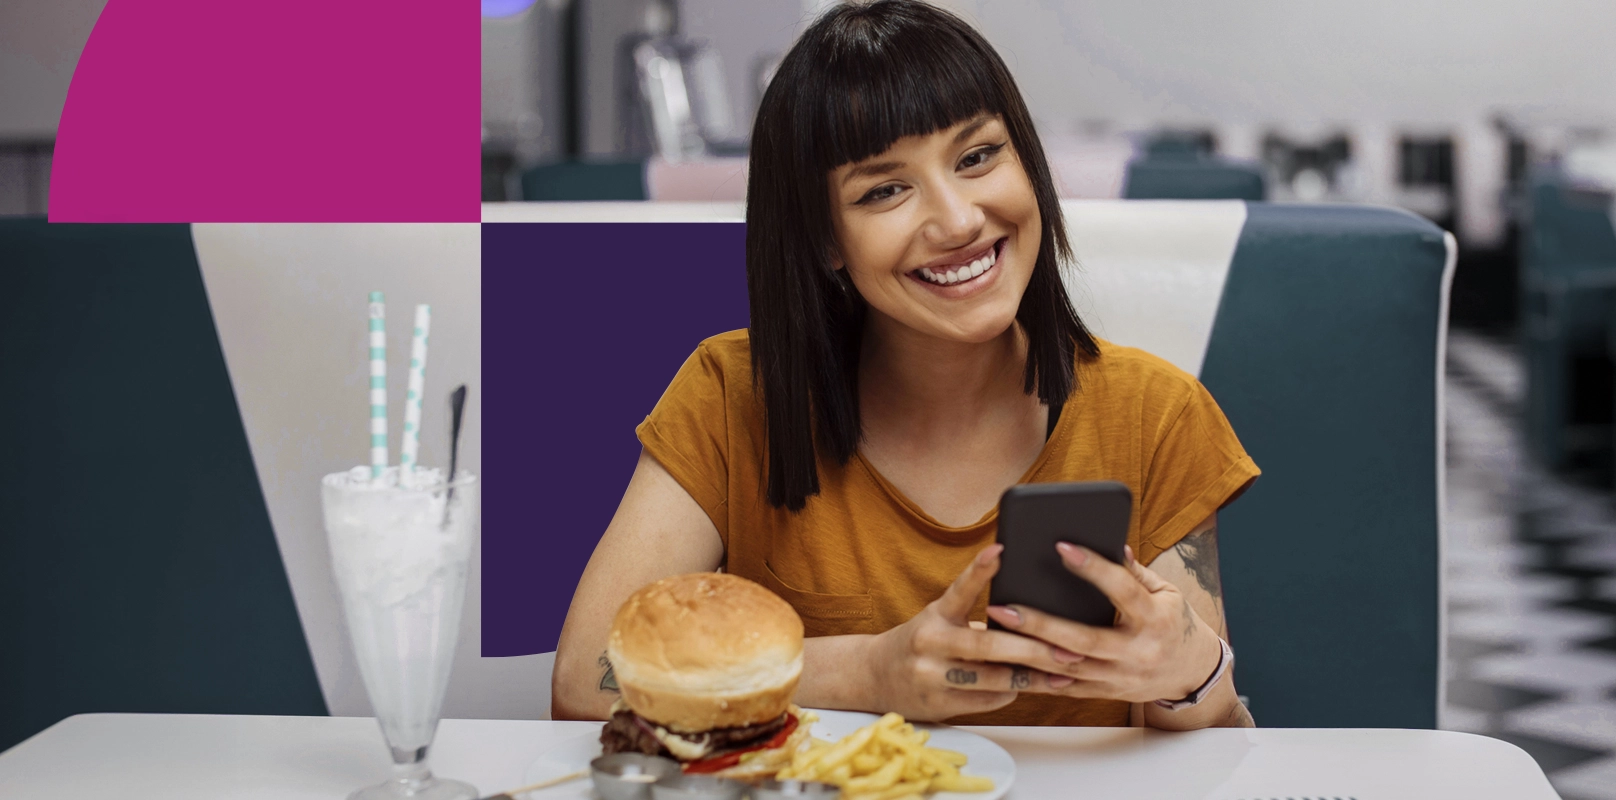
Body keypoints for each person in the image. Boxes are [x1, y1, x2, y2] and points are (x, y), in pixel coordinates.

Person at [553, 0, 1258, 730]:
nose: (956, 221)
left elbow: (1201, 741)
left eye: (978, 156)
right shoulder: (734, 395)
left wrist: (1187, 672)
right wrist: (868, 671)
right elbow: (581, 680)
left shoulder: (1156, 412)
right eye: (884, 190)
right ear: (826, 239)